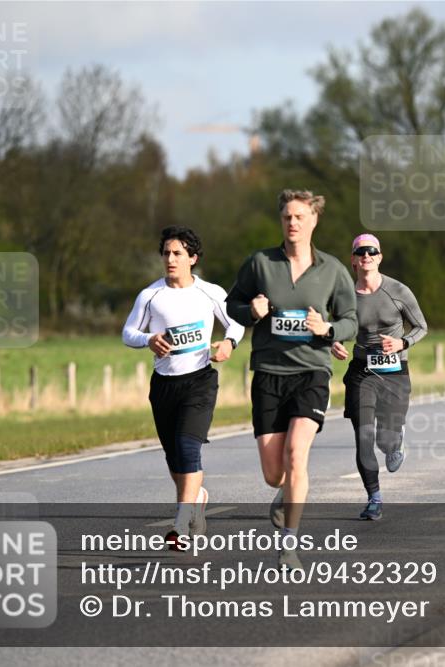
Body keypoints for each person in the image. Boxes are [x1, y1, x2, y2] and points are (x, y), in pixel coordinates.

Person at [225, 190, 358, 570]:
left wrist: (328, 328)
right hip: (268, 374)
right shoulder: (260, 264)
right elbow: (231, 305)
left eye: (300, 216)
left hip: (311, 373)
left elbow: (351, 318)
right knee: (273, 474)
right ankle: (283, 493)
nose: (293, 223)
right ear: (280, 221)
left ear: (314, 220)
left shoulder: (333, 270)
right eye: (287, 217)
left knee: (297, 454)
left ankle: (289, 545)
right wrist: (250, 309)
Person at [122, 226, 245, 550]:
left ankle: (180, 522)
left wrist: (229, 343)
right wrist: (148, 339)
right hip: (164, 385)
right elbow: (127, 332)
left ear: (193, 258)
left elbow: (236, 321)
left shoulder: (210, 292)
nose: (170, 259)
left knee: (188, 447)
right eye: (166, 253)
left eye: (177, 253)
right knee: (174, 455)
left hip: (199, 381)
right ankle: (197, 499)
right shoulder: (150, 295)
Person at [331, 234, 428, 521]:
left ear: (380, 257)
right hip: (363, 372)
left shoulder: (398, 290)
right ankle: (374, 496)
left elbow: (422, 327)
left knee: (385, 441)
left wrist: (402, 343)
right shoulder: (345, 295)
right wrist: (333, 343)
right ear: (353, 259)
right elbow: (335, 328)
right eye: (360, 252)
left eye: (372, 251)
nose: (366, 255)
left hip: (395, 373)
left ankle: (395, 441)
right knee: (364, 436)